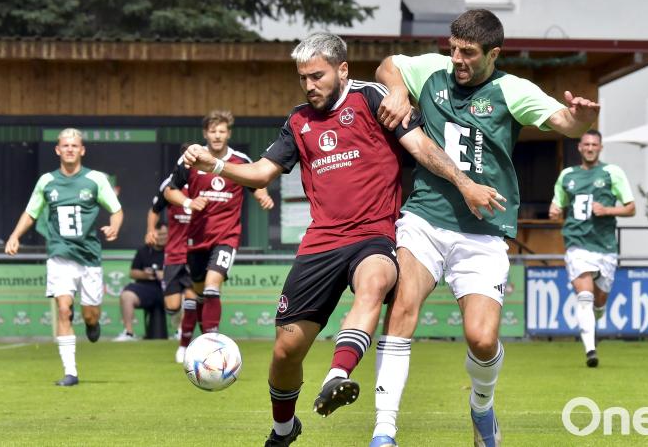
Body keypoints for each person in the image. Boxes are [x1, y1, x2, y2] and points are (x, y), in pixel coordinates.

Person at [181, 32, 499, 447]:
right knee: (285, 351)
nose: (310, 85)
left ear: (342, 69)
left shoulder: (372, 99)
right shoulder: (298, 121)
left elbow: (420, 148)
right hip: (320, 244)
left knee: (374, 283)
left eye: (317, 75)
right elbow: (260, 173)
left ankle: (338, 375)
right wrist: (216, 162)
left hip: (374, 236)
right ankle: (284, 429)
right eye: (303, 78)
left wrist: (463, 183)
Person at [372, 9, 600, 447]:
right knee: (400, 312)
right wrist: (399, 90)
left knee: (481, 339)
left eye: (469, 53)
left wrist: (581, 120)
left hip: (483, 231)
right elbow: (389, 65)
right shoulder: (434, 70)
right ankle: (384, 430)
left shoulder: (511, 90)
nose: (457, 59)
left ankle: (482, 406)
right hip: (425, 218)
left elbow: (566, 124)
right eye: (453, 48)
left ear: (494, 54)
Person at [5, 127, 123, 386]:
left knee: (90, 314)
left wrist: (115, 225)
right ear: (58, 150)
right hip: (59, 255)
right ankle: (71, 372)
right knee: (63, 309)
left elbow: (116, 209)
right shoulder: (47, 181)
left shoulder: (95, 179)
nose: (69, 149)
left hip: (89, 257)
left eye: (74, 145)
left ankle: (92, 325)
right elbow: (31, 212)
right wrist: (15, 235)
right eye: (65, 145)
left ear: (82, 150)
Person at [164, 110, 274, 356]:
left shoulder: (239, 160)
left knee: (213, 287)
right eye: (213, 131)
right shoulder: (191, 158)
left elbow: (254, 182)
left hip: (226, 237)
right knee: (196, 294)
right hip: (197, 238)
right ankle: (184, 344)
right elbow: (170, 191)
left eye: (222, 131)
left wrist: (262, 195)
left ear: (228, 134)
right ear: (205, 133)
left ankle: (212, 346)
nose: (217, 135)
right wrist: (189, 203)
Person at [548, 129, 635, 367]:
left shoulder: (612, 172)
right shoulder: (567, 175)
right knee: (584, 296)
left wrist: (607, 210)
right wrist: (554, 210)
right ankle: (590, 350)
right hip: (577, 243)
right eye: (585, 144)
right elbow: (557, 203)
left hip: (605, 245)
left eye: (594, 144)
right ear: (579, 147)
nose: (589, 148)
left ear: (600, 148)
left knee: (598, 303)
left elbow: (631, 208)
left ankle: (595, 319)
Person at [146, 144, 206, 361]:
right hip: (173, 253)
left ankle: (184, 343)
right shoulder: (170, 185)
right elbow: (154, 210)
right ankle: (184, 323)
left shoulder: (204, 181)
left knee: (190, 299)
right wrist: (151, 230)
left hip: (194, 250)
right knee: (172, 307)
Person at [114, 223, 167, 341]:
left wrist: (165, 275)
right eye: (160, 234)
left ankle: (181, 333)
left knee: (187, 295)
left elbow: (184, 273)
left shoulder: (173, 251)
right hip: (146, 289)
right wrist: (146, 274)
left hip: (168, 290)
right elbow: (132, 273)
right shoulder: (143, 251)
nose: (162, 237)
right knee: (127, 295)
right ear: (153, 234)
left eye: (165, 234)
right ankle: (129, 333)